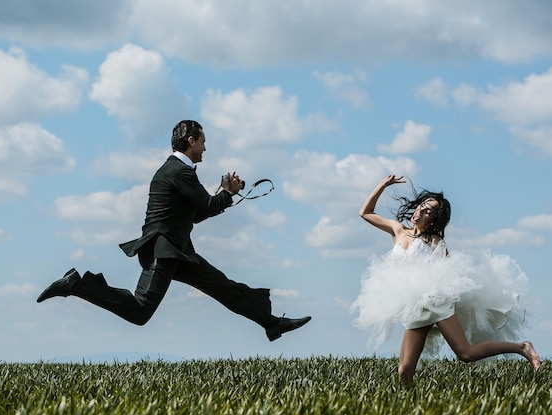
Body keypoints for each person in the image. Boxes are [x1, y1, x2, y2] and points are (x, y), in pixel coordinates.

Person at [37, 120, 311, 342]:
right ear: (191, 141)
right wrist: (227, 193)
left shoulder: (177, 171)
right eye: (203, 142)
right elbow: (206, 204)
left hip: (176, 250)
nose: (205, 148)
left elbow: (197, 214)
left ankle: (271, 324)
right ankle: (79, 284)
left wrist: (226, 195)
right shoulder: (179, 171)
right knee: (141, 311)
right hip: (164, 251)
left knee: (223, 287)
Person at [351, 174, 540, 383]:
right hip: (412, 306)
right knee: (404, 370)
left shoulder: (434, 240)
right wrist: (383, 185)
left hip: (434, 303)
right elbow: (365, 213)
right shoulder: (398, 230)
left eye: (428, 211)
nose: (421, 211)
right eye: (422, 206)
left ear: (433, 219)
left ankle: (522, 347)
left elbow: (447, 272)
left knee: (465, 354)